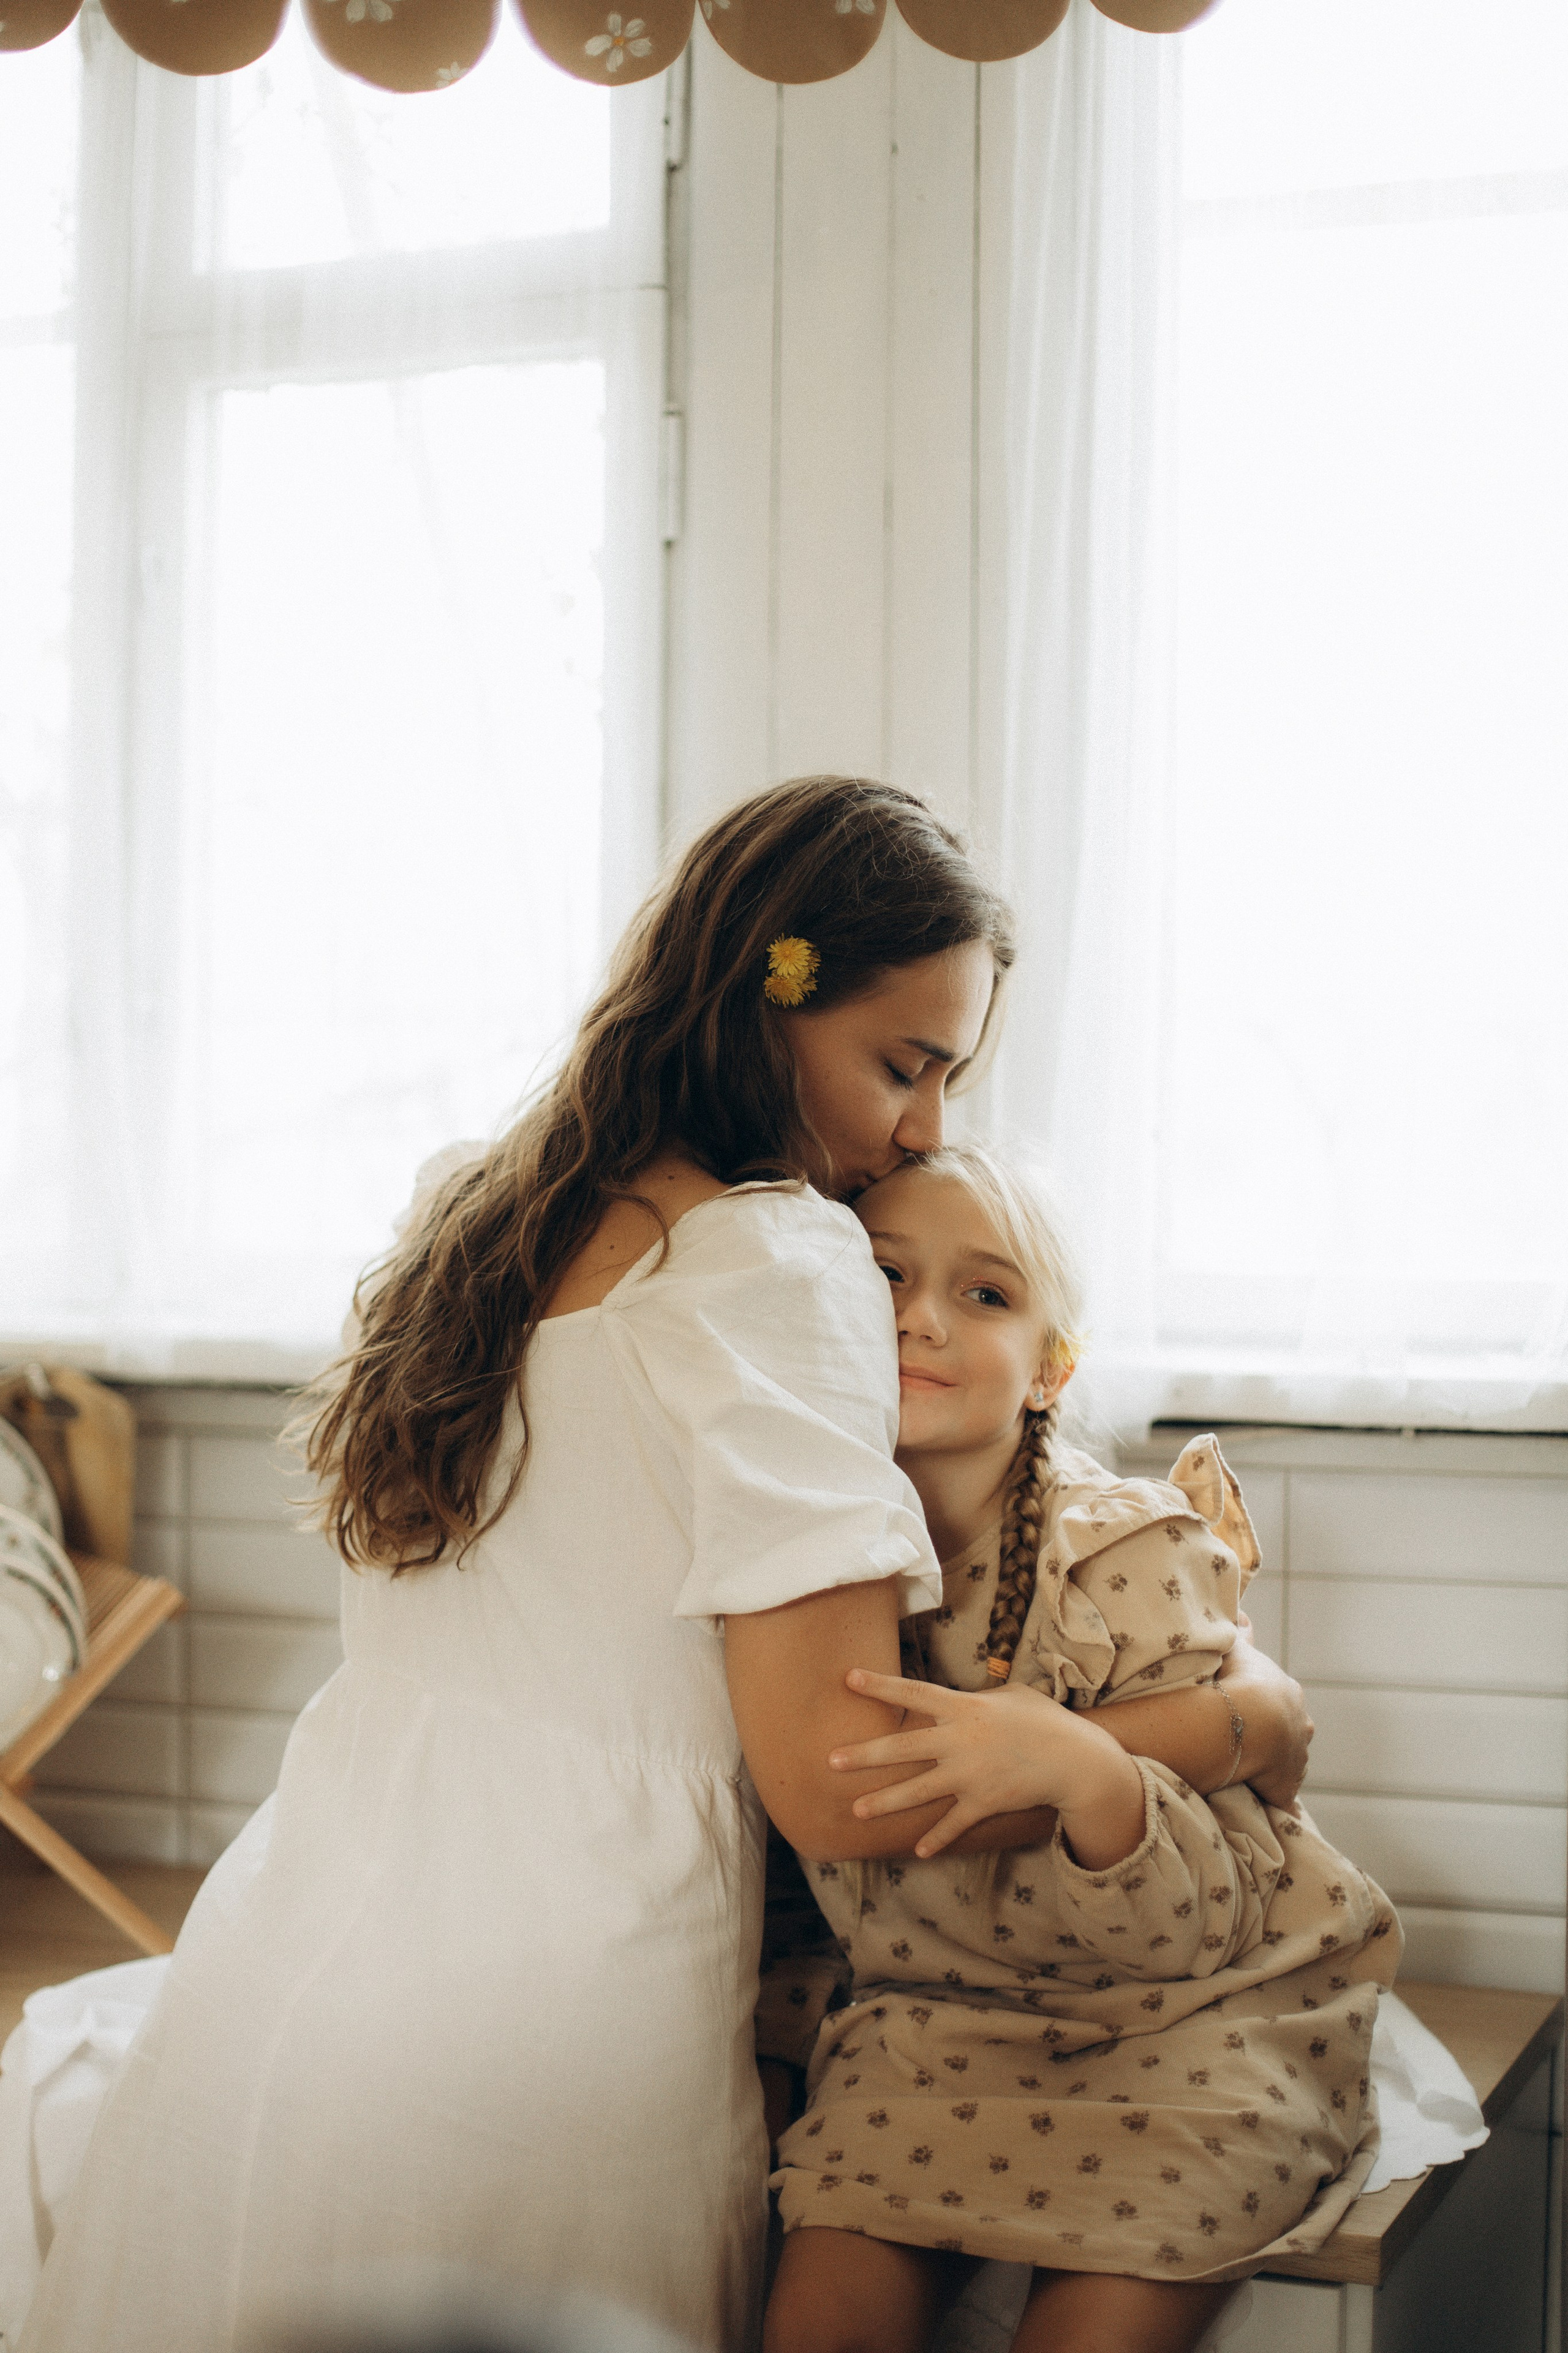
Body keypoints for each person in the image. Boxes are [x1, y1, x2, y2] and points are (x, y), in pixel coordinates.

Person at [17, 780, 1312, 2353]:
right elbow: (846, 1781)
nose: (924, 1127)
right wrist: (1222, 1722)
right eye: (902, 1065)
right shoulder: (773, 1263)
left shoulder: (477, 1210)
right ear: (769, 996)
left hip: (290, 1951)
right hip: (554, 2010)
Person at [763, 1146, 1401, 2353]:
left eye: (983, 1294)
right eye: (881, 1279)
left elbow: (1193, 1922)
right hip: (931, 2031)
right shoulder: (799, 1559)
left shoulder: (1124, 1558)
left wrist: (1092, 1777)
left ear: (1050, 1364)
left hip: (1187, 2021)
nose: (920, 1319)